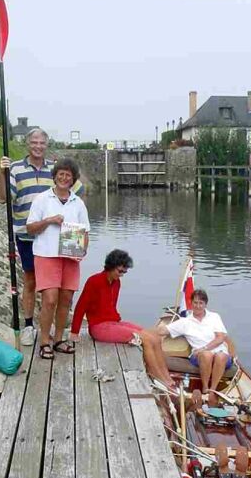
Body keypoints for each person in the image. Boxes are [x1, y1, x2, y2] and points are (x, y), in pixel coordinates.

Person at [0, 128, 84, 345]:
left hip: (55, 236)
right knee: (31, 280)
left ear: (47, 145)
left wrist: (74, 229)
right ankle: (29, 325)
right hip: (27, 233)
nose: (38, 146)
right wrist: (2, 173)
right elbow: (3, 197)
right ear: (28, 144)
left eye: (42, 143)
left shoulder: (55, 168)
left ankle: (53, 328)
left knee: (58, 287)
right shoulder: (15, 168)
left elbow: (78, 191)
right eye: (34, 142)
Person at [69, 250, 175, 390]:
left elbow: (111, 307)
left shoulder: (116, 282)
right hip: (98, 327)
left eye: (124, 272)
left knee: (155, 337)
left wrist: (119, 323)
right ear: (111, 266)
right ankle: (158, 378)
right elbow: (81, 306)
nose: (121, 274)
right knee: (146, 340)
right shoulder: (94, 281)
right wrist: (74, 331)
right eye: (120, 271)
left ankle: (168, 378)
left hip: (113, 323)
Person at [26, 158, 89, 359]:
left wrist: (82, 251)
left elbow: (85, 231)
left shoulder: (78, 203)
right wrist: (49, 220)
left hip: (70, 257)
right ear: (54, 177)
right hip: (46, 255)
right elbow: (30, 228)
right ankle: (45, 341)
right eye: (61, 174)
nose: (64, 178)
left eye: (68, 175)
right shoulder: (42, 199)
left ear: (73, 179)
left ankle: (59, 339)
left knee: (66, 300)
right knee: (50, 299)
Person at [157, 288, 234, 402]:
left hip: (218, 352)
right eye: (195, 303)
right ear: (191, 303)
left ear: (205, 304)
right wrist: (155, 329)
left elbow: (220, 337)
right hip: (198, 355)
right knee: (206, 355)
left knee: (221, 356)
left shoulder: (214, 317)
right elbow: (163, 331)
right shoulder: (185, 322)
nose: (198, 306)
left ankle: (213, 390)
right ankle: (205, 388)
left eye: (201, 303)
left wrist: (205, 348)